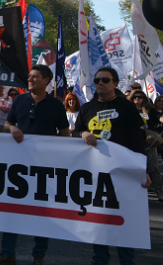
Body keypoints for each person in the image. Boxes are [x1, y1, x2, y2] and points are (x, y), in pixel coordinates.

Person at [0, 65, 69, 265]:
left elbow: (65, 133)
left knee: (42, 213)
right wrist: (12, 128)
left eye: (35, 77)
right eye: (29, 77)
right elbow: (8, 124)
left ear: (46, 81)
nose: (30, 80)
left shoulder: (56, 105)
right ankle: (7, 254)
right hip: (19, 166)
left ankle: (39, 255)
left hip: (45, 167)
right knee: (12, 210)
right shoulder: (20, 100)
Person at [73, 67, 150, 265]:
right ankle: (99, 260)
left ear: (115, 83)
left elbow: (138, 140)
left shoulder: (126, 107)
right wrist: (81, 134)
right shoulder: (86, 108)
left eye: (105, 80)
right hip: (95, 173)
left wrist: (143, 169)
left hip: (123, 172)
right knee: (99, 220)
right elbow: (75, 134)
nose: (100, 83)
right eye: (97, 80)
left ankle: (127, 261)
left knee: (124, 218)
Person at [130, 89, 163, 201]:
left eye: (139, 97)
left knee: (153, 168)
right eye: (135, 97)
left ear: (144, 98)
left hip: (149, 142)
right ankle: (135, 193)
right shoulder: (128, 110)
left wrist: (161, 119)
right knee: (136, 168)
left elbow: (159, 118)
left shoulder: (150, 110)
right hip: (133, 143)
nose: (137, 99)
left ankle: (159, 191)